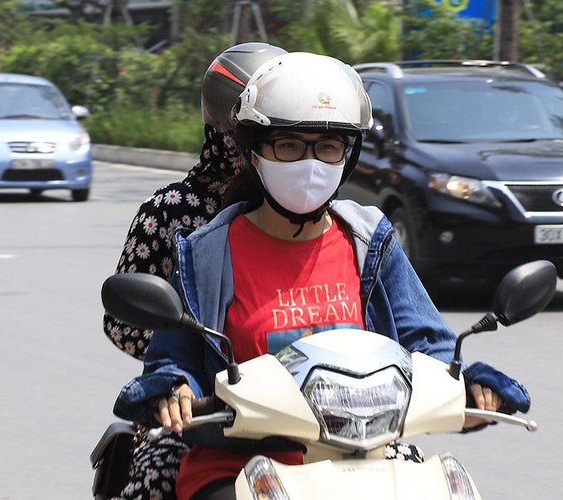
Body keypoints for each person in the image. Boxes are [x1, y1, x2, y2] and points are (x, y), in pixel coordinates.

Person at [112, 52, 531, 500]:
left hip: (366, 458)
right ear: (254, 152)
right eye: (289, 146)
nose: (310, 164)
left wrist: (470, 384)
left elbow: (428, 344)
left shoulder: (370, 241)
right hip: (242, 465)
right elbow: (176, 359)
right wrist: (174, 388)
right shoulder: (207, 252)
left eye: (328, 147)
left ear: (346, 158)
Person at [103, 42, 289, 500]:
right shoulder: (170, 213)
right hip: (204, 410)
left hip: (319, 402)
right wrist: (184, 369)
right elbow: (125, 322)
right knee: (155, 477)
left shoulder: (323, 218)